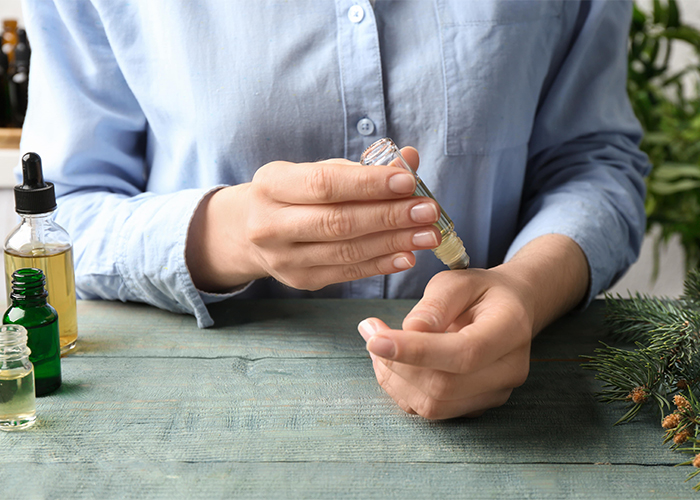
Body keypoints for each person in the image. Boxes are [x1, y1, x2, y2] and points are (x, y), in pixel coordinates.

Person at [19, 0, 649, 419]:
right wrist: (230, 233)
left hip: (509, 402)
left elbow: (595, 161)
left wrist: (524, 289)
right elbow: (62, 210)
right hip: (199, 407)